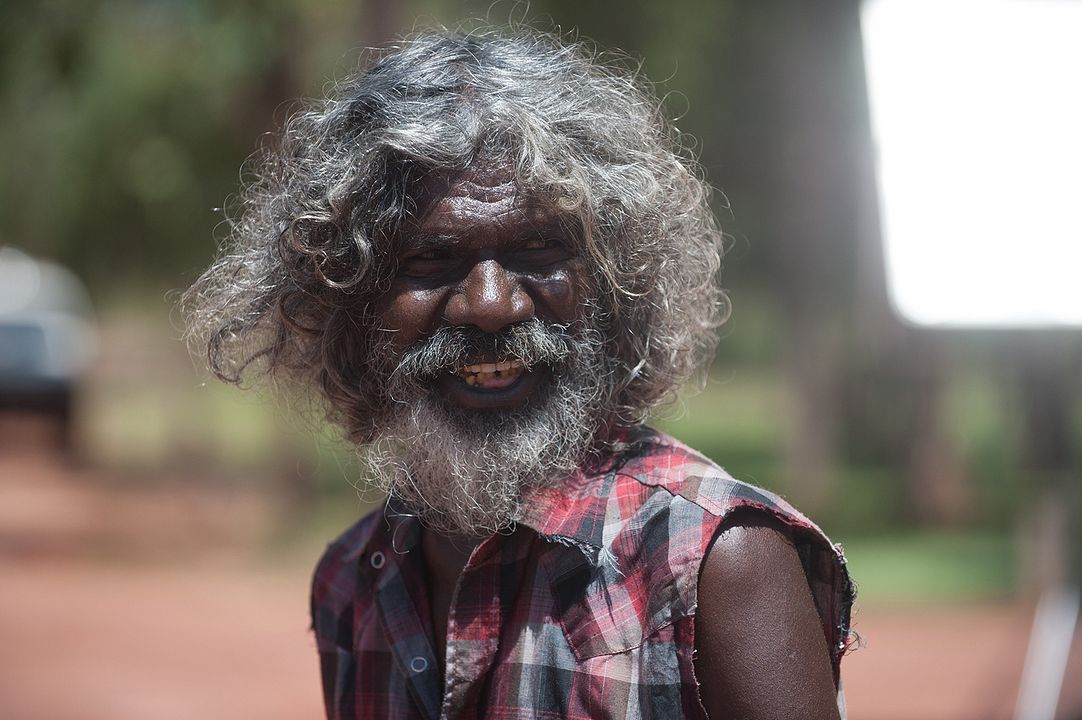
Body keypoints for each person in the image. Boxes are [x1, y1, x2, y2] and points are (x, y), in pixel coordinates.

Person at [184, 27, 854, 720]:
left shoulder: (715, 564)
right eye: (432, 260)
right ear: (348, 302)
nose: (493, 306)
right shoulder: (354, 581)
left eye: (539, 249)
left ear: (615, 283)